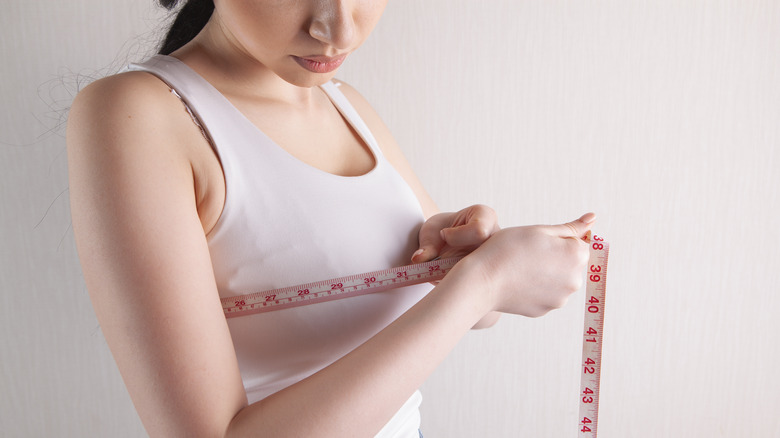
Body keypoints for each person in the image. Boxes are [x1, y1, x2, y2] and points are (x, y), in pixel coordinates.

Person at [66, 0, 594, 436]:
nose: (336, 29)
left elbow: (480, 310)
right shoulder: (137, 114)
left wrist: (463, 256)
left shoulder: (345, 103)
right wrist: (481, 283)